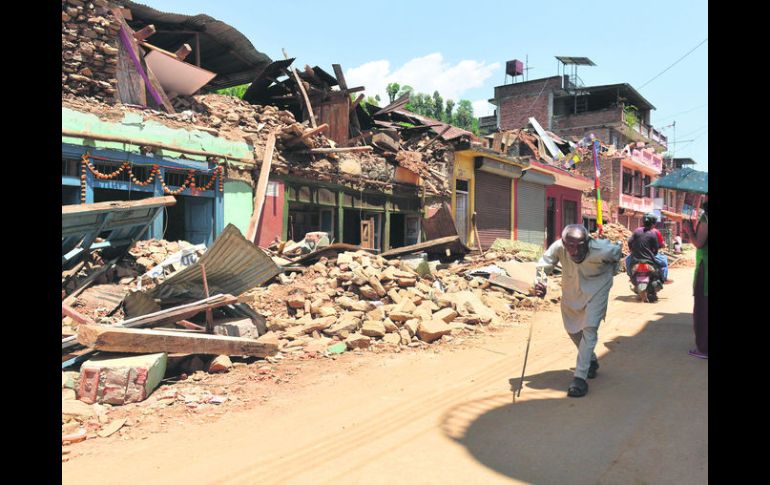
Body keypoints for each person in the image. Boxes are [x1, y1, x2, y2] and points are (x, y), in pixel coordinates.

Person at [534, 224, 622, 397]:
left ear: (587, 241)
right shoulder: (559, 246)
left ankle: (580, 378)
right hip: (572, 288)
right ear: (564, 244)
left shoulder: (602, 249)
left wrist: (613, 270)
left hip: (598, 288)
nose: (575, 251)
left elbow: (617, 252)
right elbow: (544, 264)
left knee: (589, 329)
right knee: (572, 328)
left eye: (580, 246)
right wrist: (541, 283)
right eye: (571, 247)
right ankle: (591, 359)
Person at [683, 198, 708, 359]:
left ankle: (704, 348)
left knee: (703, 308)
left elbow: (699, 242)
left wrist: (689, 230)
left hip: (705, 267)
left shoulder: (706, 218)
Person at [626, 212, 670, 284]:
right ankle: (663, 278)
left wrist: (632, 250)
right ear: (653, 223)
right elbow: (657, 247)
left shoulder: (637, 230)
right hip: (650, 256)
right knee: (664, 262)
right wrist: (654, 252)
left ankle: (630, 275)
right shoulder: (655, 232)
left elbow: (630, 242)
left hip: (636, 255)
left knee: (627, 260)